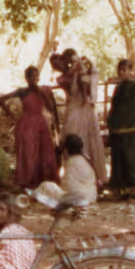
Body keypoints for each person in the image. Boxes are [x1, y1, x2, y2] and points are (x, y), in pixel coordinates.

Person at [0, 65, 60, 188]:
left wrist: (41, 93)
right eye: (31, 77)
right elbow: (1, 99)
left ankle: (42, 179)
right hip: (26, 124)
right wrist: (10, 114)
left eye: (36, 76)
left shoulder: (44, 90)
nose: (34, 79)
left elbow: (50, 108)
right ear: (26, 79)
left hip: (41, 122)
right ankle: (28, 180)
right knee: (28, 151)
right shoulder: (22, 91)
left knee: (44, 151)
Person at [58, 49, 107, 187]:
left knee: (86, 142)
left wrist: (83, 72)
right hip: (75, 110)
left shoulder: (81, 74)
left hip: (81, 110)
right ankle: (76, 176)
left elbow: (86, 93)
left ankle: (91, 177)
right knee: (76, 140)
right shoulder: (68, 76)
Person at [107, 58, 135, 200]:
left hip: (130, 130)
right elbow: (115, 107)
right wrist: (112, 122)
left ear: (131, 71)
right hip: (117, 130)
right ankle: (119, 189)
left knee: (130, 159)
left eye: (124, 70)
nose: (122, 73)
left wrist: (130, 124)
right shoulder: (118, 88)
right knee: (117, 160)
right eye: (120, 70)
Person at [59, 132, 98, 207]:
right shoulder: (85, 160)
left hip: (78, 196)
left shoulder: (70, 162)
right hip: (91, 195)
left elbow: (68, 184)